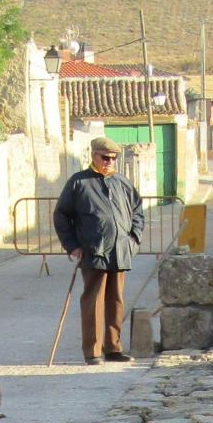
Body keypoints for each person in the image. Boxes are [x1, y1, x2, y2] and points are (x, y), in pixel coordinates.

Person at [53, 136, 144, 365]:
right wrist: (72, 245)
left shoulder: (122, 182)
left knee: (116, 300)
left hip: (121, 250)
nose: (109, 162)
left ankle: (113, 348)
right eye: (105, 157)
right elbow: (61, 215)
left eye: (113, 158)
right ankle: (92, 351)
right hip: (94, 250)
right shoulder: (79, 182)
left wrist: (134, 238)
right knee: (93, 301)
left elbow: (137, 211)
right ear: (94, 155)